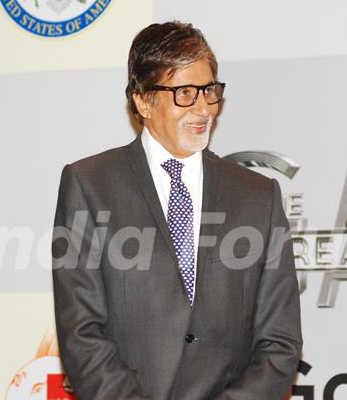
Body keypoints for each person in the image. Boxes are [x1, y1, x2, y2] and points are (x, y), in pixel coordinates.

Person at [51, 21, 302, 400]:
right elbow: (81, 332)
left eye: (210, 91)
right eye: (184, 92)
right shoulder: (90, 185)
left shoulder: (258, 196)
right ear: (142, 101)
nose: (204, 108)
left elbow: (280, 342)